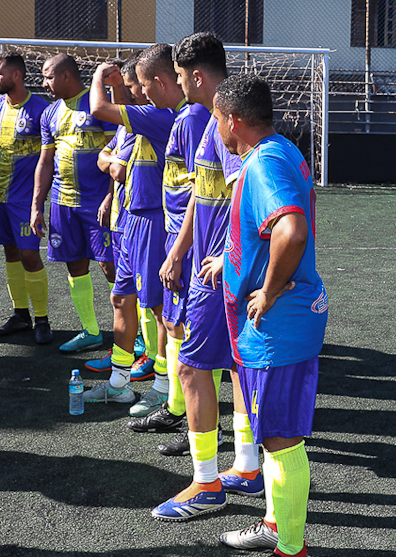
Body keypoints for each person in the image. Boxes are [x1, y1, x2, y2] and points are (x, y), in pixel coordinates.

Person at [212, 72, 328, 557]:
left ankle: (292, 556)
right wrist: (236, 264)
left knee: (281, 442)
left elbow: (293, 229)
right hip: (282, 321)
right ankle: (277, 526)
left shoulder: (263, 162)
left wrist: (269, 289)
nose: (216, 128)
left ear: (233, 121)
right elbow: (275, 228)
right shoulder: (282, 150)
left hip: (278, 325)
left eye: (217, 119)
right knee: (275, 436)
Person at [147, 32, 253, 521]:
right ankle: (247, 466)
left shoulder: (229, 126)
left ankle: (206, 484)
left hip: (219, 271)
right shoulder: (218, 121)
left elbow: (246, 196)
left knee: (190, 368)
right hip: (211, 262)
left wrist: (225, 259)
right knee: (235, 367)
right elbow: (202, 192)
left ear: (194, 76)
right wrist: (177, 250)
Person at [84, 47, 180, 404]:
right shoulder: (135, 123)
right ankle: (119, 383)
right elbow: (107, 155)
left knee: (158, 309)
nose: (135, 89)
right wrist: (110, 164)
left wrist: (97, 80)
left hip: (152, 221)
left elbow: (99, 109)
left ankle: (163, 387)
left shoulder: (160, 117)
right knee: (120, 298)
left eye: (138, 83)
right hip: (128, 220)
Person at [30, 54, 119, 358]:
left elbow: (117, 154)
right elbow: (45, 161)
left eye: (48, 76)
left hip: (98, 203)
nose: (45, 83)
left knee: (111, 268)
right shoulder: (49, 113)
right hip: (63, 203)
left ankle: (131, 337)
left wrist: (111, 196)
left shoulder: (97, 105)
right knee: (75, 265)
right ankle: (91, 332)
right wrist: (36, 206)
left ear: (67, 76)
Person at [0, 53, 54, 344]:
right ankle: (20, 314)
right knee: (10, 253)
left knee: (29, 254)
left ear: (16, 75)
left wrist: (40, 198)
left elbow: (50, 157)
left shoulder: (43, 109)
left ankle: (42, 319)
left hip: (25, 200)